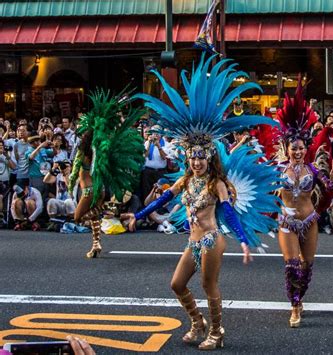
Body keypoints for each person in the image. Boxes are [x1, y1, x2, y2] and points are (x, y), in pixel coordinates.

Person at [125, 55, 279, 350]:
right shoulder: (185, 180)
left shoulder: (216, 183)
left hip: (211, 239)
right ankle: (197, 322)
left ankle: (217, 332)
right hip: (192, 242)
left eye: (200, 156)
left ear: (209, 157)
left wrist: (245, 240)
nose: (196, 161)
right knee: (177, 284)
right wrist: (137, 215)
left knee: (209, 286)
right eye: (192, 156)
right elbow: (164, 200)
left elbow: (230, 214)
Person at [274, 80, 333, 327]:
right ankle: (294, 307)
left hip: (309, 219)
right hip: (287, 221)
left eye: (301, 148)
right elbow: (263, 191)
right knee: (291, 266)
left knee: (306, 266)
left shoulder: (313, 170)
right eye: (294, 148)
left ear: (306, 148)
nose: (298, 152)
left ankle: (299, 297)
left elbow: (328, 191)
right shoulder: (277, 170)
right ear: (288, 148)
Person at [68, 89, 144, 258]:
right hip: (98, 188)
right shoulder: (97, 148)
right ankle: (96, 244)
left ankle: (106, 209)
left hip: (89, 190)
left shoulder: (86, 149)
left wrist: (71, 181)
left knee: (78, 219)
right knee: (94, 219)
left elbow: (75, 169)